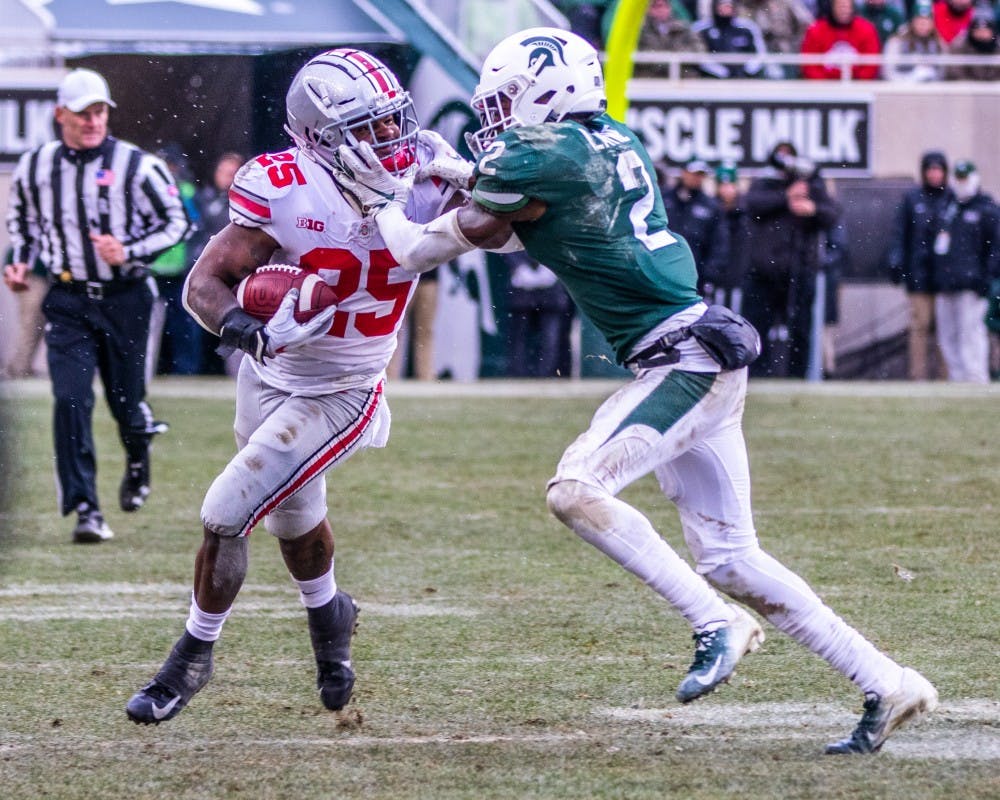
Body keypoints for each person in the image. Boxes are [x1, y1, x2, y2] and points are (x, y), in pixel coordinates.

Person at [335, 26, 938, 754]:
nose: (499, 118)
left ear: (545, 93)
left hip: (683, 359)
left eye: (506, 102)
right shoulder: (601, 141)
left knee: (575, 490)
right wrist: (456, 172)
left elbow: (417, 248)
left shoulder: (546, 154)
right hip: (697, 348)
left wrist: (379, 199)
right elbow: (518, 220)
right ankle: (887, 680)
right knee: (732, 557)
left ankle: (716, 623)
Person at [125, 48, 466, 725]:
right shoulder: (283, 186)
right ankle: (329, 616)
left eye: (393, 121)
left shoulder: (429, 175)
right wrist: (253, 331)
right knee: (294, 517)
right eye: (369, 129)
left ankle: (193, 654)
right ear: (321, 136)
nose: (391, 140)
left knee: (227, 509)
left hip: (344, 387)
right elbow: (204, 284)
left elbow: (499, 224)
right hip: (268, 373)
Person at [3, 68, 188, 543]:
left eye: (100, 111)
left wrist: (129, 250)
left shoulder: (137, 165)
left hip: (125, 298)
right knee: (69, 398)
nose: (93, 120)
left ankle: (136, 451)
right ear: (60, 114)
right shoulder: (37, 165)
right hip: (67, 299)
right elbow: (22, 222)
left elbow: (176, 223)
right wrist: (19, 262)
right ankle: (85, 506)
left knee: (125, 404)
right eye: (83, 112)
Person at [742, 142, 840, 378]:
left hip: (799, 269)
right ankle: (757, 375)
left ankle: (797, 376)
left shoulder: (810, 184)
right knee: (757, 326)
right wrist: (785, 197)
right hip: (763, 270)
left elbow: (833, 213)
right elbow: (752, 204)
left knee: (800, 328)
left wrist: (812, 209)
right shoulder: (764, 182)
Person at [886, 150, 952, 381]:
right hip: (919, 275)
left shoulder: (952, 199)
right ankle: (918, 377)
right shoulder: (912, 199)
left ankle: (946, 378)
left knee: (945, 330)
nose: (934, 174)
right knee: (919, 327)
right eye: (930, 169)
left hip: (946, 278)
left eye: (938, 169)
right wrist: (896, 261)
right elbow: (899, 234)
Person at [930, 160, 998, 383]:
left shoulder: (986, 209)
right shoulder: (949, 209)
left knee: (971, 332)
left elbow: (995, 248)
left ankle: (975, 376)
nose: (962, 184)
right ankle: (957, 377)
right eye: (958, 179)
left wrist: (987, 278)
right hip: (946, 283)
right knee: (947, 334)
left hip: (972, 285)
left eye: (965, 179)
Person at [147, 144, 203, 378]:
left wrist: (192, 258)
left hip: (179, 269)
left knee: (183, 324)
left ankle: (184, 370)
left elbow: (196, 227)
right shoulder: (147, 190)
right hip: (153, 268)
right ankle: (147, 369)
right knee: (148, 324)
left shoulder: (187, 191)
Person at [194, 151, 245, 376]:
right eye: (223, 171)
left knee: (239, 321)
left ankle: (241, 373)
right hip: (209, 273)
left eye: (231, 172)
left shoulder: (244, 202)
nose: (226, 177)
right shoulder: (206, 198)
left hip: (238, 275)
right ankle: (194, 370)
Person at [660, 159, 730, 298]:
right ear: (683, 172)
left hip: (695, 276)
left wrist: (710, 274)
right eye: (694, 174)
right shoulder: (664, 199)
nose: (696, 178)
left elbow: (719, 243)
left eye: (700, 175)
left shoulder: (711, 206)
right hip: (663, 271)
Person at [502, 251, 575, 378]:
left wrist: (550, 268)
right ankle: (517, 376)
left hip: (551, 295)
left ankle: (547, 375)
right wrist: (520, 267)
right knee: (519, 339)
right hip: (521, 294)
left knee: (550, 339)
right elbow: (508, 249)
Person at [691, 0, 780, 79]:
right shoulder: (701, 29)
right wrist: (721, 72)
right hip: (712, 79)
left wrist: (747, 70)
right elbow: (699, 55)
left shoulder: (747, 27)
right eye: (722, 5)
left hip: (745, 78)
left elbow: (760, 53)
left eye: (729, 5)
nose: (726, 8)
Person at [800, 0, 882, 80]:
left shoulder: (867, 29)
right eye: (840, 6)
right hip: (823, 89)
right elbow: (809, 64)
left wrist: (857, 84)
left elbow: (871, 63)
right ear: (832, 7)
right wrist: (824, 85)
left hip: (858, 87)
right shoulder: (816, 30)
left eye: (846, 6)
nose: (843, 10)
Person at [733, 0, 814, 77]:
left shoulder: (786, 3)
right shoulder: (744, 6)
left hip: (785, 52)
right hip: (754, 57)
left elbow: (806, 24)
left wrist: (795, 44)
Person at [634, 0, 708, 79]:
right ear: (648, 9)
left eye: (664, 6)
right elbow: (635, 52)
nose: (660, 10)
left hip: (681, 76)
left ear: (670, 8)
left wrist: (675, 57)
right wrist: (661, 58)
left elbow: (699, 49)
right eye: (656, 7)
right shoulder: (640, 31)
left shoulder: (684, 28)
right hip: (649, 78)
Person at [712, 161, 750, 312]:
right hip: (716, 274)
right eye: (723, 185)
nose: (726, 190)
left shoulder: (745, 210)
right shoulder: (711, 209)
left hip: (739, 273)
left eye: (730, 185)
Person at [882, 0, 948, 81]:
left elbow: (943, 72)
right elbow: (888, 72)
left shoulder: (939, 43)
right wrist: (908, 80)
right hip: (902, 89)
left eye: (927, 20)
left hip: (932, 90)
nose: (923, 24)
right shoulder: (897, 41)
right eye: (919, 19)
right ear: (912, 21)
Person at [945, 4, 1000, 80]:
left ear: (993, 31)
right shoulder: (959, 46)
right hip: (966, 89)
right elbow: (955, 73)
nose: (982, 34)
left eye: (986, 30)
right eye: (978, 29)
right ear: (971, 30)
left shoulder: (998, 46)